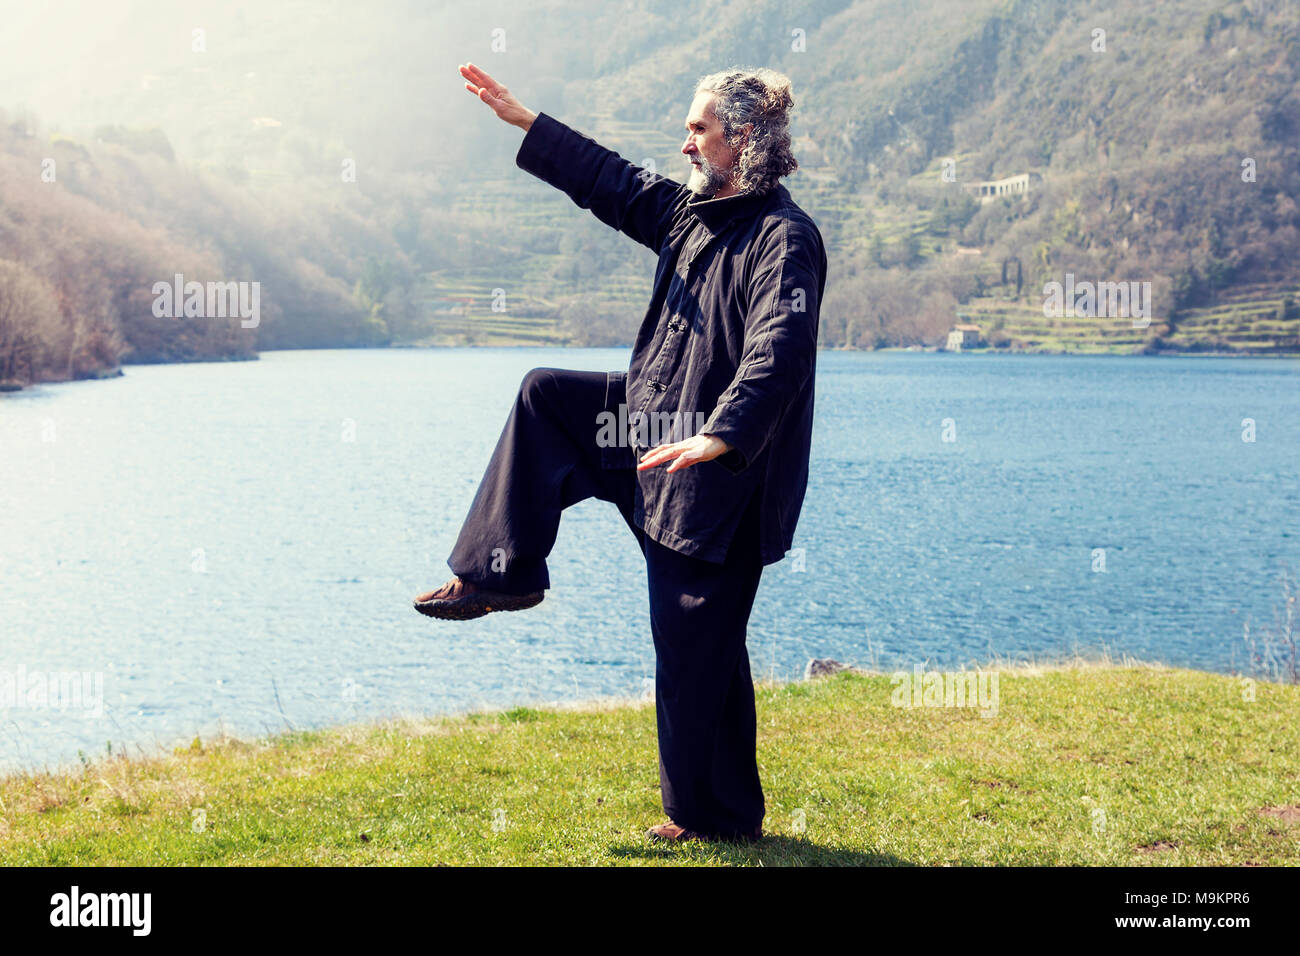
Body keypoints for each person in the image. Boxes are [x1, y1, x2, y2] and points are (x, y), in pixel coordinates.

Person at [414, 62, 828, 844]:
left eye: (698, 128)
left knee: (696, 646)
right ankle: (498, 575)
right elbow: (611, 181)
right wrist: (528, 122)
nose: (686, 143)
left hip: (718, 480)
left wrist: (724, 432)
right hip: (647, 435)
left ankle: (716, 819)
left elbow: (782, 346)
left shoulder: (785, 239)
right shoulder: (691, 214)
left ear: (740, 138)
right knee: (548, 397)